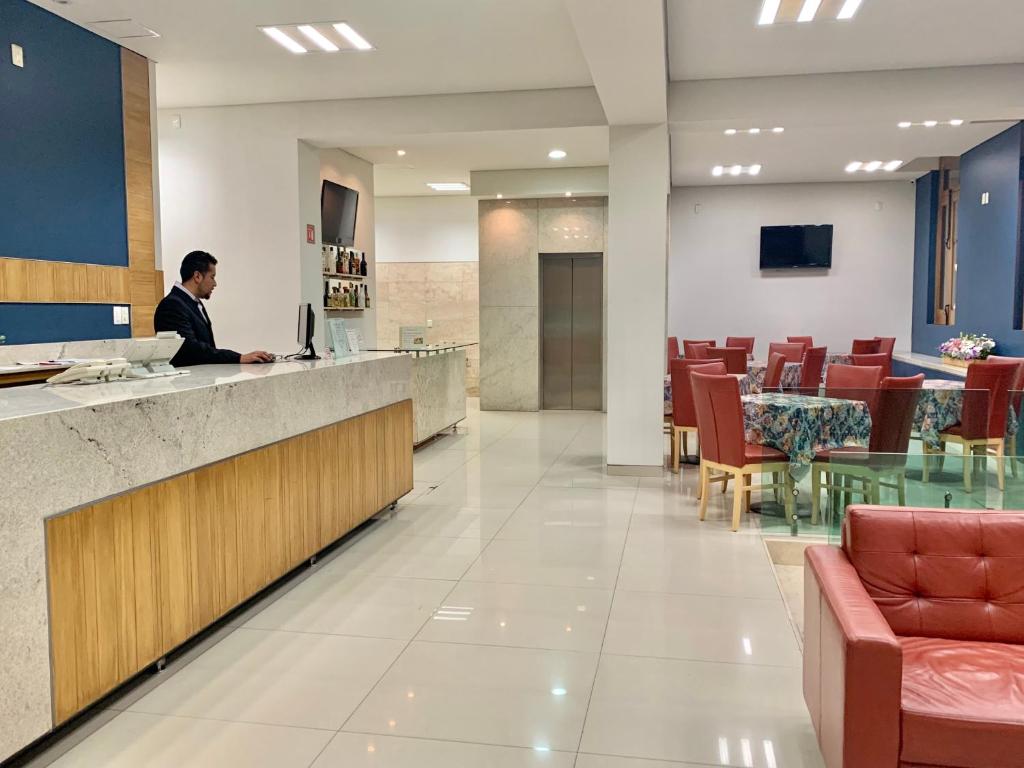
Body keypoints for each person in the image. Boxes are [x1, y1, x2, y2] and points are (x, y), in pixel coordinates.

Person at [154, 251, 273, 366]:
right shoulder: (172, 305)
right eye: (212, 277)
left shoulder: (193, 302)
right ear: (197, 276)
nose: (215, 283)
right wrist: (238, 358)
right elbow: (191, 350)